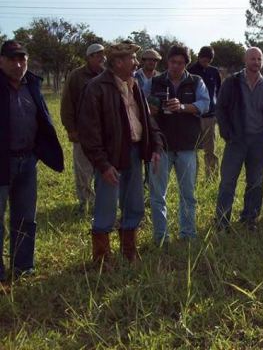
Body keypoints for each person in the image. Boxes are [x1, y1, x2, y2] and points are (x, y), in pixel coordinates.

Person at [78, 41, 164, 266]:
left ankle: (129, 251)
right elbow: (89, 132)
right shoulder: (96, 87)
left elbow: (147, 120)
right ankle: (102, 259)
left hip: (134, 153)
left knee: (134, 203)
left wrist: (156, 146)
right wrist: (103, 164)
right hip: (110, 157)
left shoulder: (134, 85)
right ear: (118, 62)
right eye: (132, 59)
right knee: (106, 205)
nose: (136, 63)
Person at [0, 40, 64, 281]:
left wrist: (39, 151)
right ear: (1, 61)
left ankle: (23, 267)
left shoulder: (32, 85)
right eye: (12, 59)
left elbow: (43, 119)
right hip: (1, 162)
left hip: (27, 161)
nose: (18, 65)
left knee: (26, 218)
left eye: (22, 59)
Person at [148, 45, 209, 245]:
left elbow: (205, 104)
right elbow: (142, 105)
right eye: (173, 62)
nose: (176, 66)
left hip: (187, 146)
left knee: (188, 195)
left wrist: (182, 107)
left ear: (186, 64)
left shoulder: (196, 81)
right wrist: (151, 109)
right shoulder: (155, 81)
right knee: (158, 195)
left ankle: (188, 234)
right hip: (161, 147)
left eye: (180, 63)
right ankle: (161, 237)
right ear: (168, 62)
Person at [215, 47, 263, 232]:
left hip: (258, 142)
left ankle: (250, 218)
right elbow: (221, 108)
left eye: (259, 59)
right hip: (236, 140)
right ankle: (222, 221)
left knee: (256, 183)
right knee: (228, 182)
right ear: (245, 60)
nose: (256, 62)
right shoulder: (232, 82)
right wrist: (227, 133)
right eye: (253, 58)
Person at [60, 43, 105, 214]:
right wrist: (71, 129)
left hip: (103, 132)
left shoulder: (106, 74)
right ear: (89, 57)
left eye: (103, 55)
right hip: (82, 131)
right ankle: (85, 203)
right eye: (98, 55)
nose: (102, 58)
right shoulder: (76, 76)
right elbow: (67, 103)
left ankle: (101, 202)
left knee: (102, 168)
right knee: (83, 170)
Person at [188, 45, 222, 180]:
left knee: (210, 150)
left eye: (209, 60)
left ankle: (211, 179)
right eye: (204, 59)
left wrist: (218, 111)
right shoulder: (190, 71)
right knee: (192, 150)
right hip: (193, 116)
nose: (206, 62)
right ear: (199, 56)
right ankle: (192, 178)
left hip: (210, 117)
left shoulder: (214, 72)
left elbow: (219, 92)